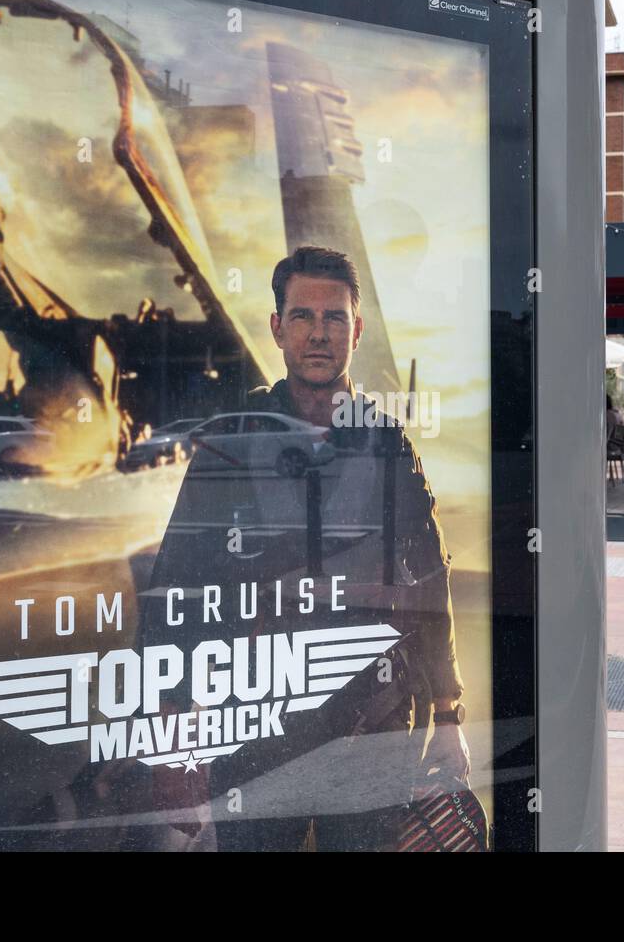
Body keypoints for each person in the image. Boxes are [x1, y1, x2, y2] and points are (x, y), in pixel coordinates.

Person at [146, 245, 468, 851]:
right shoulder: (233, 445)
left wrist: (448, 714)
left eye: (334, 317)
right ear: (276, 328)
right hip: (254, 732)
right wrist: (171, 742)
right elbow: (176, 588)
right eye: (302, 316)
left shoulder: (388, 444)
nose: (318, 334)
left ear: (357, 329)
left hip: (372, 729)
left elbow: (428, 580)